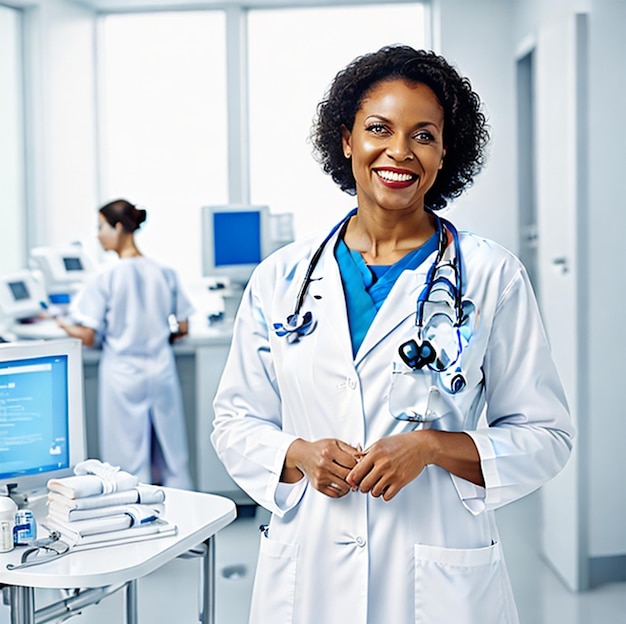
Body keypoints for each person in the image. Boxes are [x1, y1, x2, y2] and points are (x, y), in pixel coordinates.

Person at [211, 46, 574, 624]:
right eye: (378, 128)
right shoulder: (281, 277)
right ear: (347, 139)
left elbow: (546, 436)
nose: (399, 151)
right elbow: (234, 422)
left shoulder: (491, 275)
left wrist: (432, 448)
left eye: (423, 134)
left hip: (436, 576)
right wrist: (298, 454)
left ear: (445, 151)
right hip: (311, 572)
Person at [57, 199, 193, 489]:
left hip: (123, 376)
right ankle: (187, 517)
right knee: (171, 454)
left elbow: (90, 336)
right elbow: (182, 327)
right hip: (161, 370)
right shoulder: (164, 272)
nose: (97, 234)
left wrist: (61, 325)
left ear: (118, 227)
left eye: (101, 227)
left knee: (127, 460)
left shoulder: (106, 277)